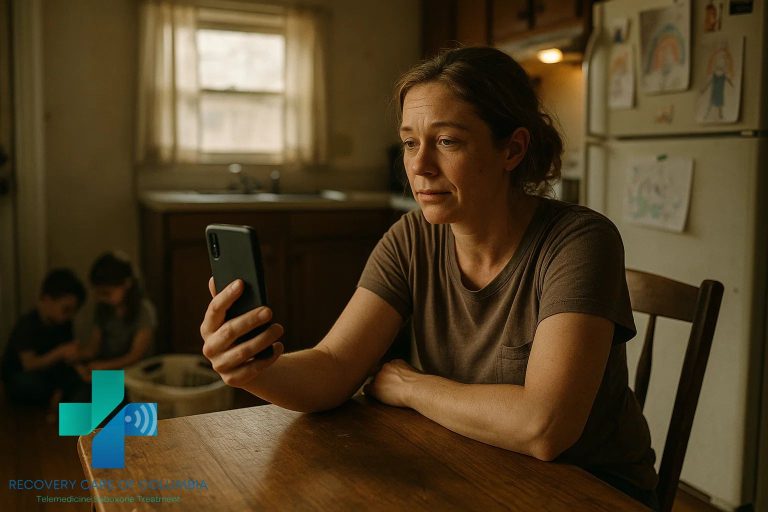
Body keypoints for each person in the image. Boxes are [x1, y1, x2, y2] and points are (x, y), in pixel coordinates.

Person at [199, 47, 659, 510]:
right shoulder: (412, 238)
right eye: (409, 142)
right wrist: (255, 369)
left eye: (446, 142)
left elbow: (543, 427)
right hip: (471, 467)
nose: (419, 167)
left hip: (587, 491)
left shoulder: (579, 242)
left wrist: (409, 387)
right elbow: (334, 366)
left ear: (512, 149)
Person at [1, 268, 87, 407]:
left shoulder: (64, 324)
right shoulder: (27, 323)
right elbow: (29, 364)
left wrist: (78, 365)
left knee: (78, 378)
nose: (70, 316)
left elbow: (67, 358)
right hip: (23, 375)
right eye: (65, 309)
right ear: (47, 300)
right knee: (27, 383)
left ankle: (63, 399)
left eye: (73, 311)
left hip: (50, 373)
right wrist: (60, 352)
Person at [77, 251, 156, 378]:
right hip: (108, 367)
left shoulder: (144, 310)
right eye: (98, 293)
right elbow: (94, 346)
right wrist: (78, 356)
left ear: (127, 284)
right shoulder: (103, 309)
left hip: (135, 371)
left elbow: (136, 355)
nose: (102, 298)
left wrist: (104, 366)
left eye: (106, 293)